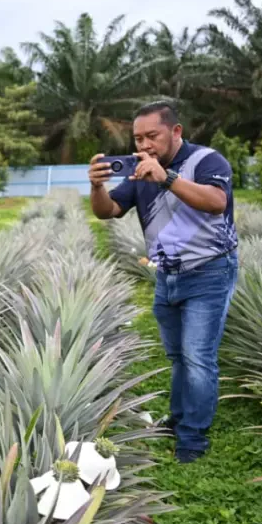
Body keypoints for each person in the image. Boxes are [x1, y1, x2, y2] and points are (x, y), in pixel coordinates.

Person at [88, 100, 239, 464]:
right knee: (178, 356)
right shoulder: (139, 170)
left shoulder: (207, 161)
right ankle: (179, 417)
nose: (144, 145)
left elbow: (216, 202)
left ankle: (192, 437)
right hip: (167, 275)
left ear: (175, 131)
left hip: (209, 271)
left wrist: (166, 178)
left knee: (198, 357)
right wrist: (96, 187)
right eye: (138, 138)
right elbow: (108, 211)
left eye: (152, 136)